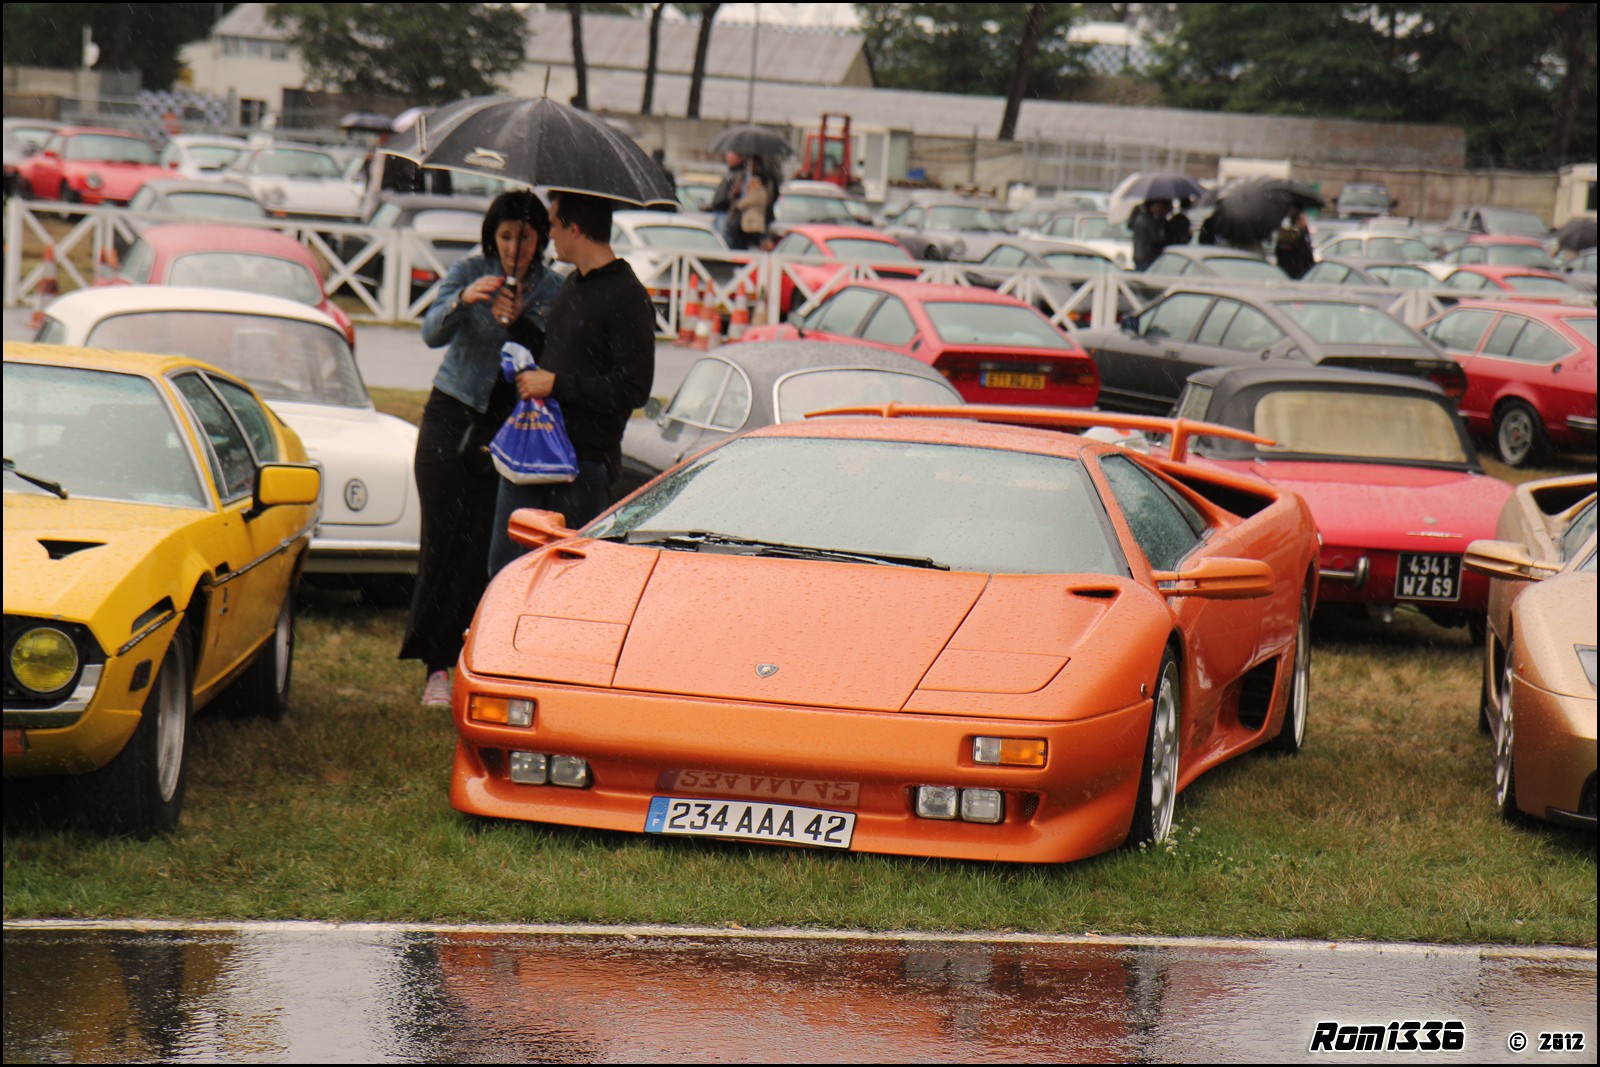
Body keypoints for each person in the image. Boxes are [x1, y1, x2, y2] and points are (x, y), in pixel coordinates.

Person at [399, 190, 563, 707]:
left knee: (486, 547)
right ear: (493, 235)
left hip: (509, 427)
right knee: (443, 542)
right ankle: (436, 667)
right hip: (452, 418)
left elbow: (555, 352)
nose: (515, 247)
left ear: (541, 241)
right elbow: (430, 331)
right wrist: (464, 300)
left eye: (526, 237)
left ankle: (482, 652)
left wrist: (525, 322)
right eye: (506, 236)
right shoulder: (471, 270)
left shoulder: (553, 288)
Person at [486, 191, 656, 576]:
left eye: (554, 226)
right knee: (506, 571)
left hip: (581, 464)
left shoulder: (627, 296)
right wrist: (517, 323)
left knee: (565, 580)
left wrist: (557, 384)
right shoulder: (574, 283)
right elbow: (560, 354)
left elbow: (633, 387)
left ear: (575, 230)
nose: (549, 235)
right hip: (535, 449)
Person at [727, 155, 772, 251]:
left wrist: (737, 203)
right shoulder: (744, 179)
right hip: (746, 223)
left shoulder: (759, 193)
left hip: (753, 225)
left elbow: (742, 204)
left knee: (753, 246)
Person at [1130, 198, 1171, 271]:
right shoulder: (1149, 220)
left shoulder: (1140, 217)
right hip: (1147, 256)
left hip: (1139, 255)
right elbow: (1156, 239)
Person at [1275, 206, 1315, 279]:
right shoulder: (1300, 237)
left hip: (1283, 272)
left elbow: (1278, 253)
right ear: (1298, 221)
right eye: (1304, 219)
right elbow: (1306, 255)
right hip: (1298, 272)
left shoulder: (1284, 235)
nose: (1306, 221)